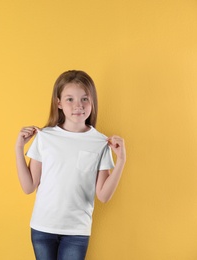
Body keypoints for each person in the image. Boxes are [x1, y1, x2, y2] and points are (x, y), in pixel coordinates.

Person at [15, 70, 126, 260]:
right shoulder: (45, 137)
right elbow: (28, 187)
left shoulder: (100, 143)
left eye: (84, 99)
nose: (78, 106)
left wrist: (121, 160)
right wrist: (19, 147)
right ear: (58, 103)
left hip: (77, 231)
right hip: (43, 228)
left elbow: (104, 195)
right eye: (70, 99)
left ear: (92, 102)